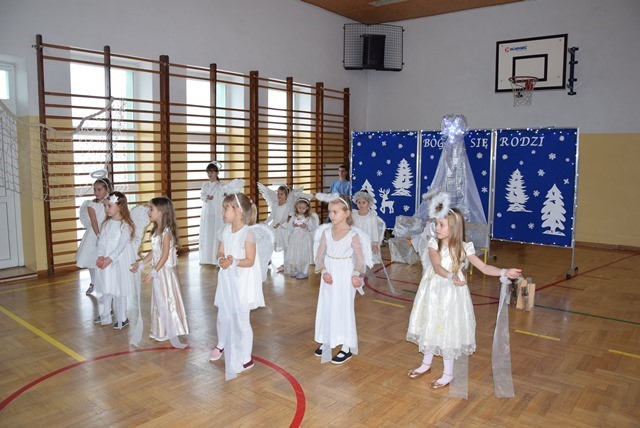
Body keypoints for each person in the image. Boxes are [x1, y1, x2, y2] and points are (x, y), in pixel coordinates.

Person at [406, 201, 521, 389]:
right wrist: (451, 276)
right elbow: (437, 266)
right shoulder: (433, 244)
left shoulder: (465, 247)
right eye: (436, 223)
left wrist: (504, 272)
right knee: (431, 322)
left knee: (448, 327)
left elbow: (483, 267)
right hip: (433, 290)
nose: (437, 228)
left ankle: (448, 373)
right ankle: (426, 364)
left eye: (441, 224)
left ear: (454, 228)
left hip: (452, 295)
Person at [208, 193, 265, 380]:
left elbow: (250, 260)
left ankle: (246, 357)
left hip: (242, 282)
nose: (222, 212)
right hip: (227, 280)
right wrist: (221, 260)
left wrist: (234, 261)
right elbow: (220, 251)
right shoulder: (225, 231)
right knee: (223, 314)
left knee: (241, 319)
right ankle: (221, 344)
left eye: (226, 208)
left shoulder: (248, 233)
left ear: (238, 211)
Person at [313, 193, 373, 365]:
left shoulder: (353, 235)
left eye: (336, 212)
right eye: (330, 212)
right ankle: (327, 339)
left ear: (347, 213)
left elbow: (360, 260)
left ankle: (346, 346)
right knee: (327, 306)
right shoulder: (325, 232)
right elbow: (319, 256)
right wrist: (324, 271)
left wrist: (355, 275)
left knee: (343, 308)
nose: (331, 215)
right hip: (329, 274)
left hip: (345, 274)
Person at [131, 197, 189, 348]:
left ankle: (172, 328)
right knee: (159, 300)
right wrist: (142, 263)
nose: (148, 212)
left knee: (167, 299)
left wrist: (153, 272)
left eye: (151, 209)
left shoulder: (166, 232)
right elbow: (155, 251)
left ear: (161, 212)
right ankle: (161, 329)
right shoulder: (156, 230)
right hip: (158, 271)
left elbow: (164, 255)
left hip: (165, 273)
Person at [94, 191, 138, 330]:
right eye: (105, 206)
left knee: (119, 288)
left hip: (119, 259)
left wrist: (110, 259)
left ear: (119, 206)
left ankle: (123, 318)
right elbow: (102, 241)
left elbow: (121, 246)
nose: (106, 209)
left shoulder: (125, 225)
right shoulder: (106, 224)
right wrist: (101, 255)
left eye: (109, 206)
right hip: (106, 258)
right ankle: (106, 313)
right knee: (106, 285)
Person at [199, 162, 245, 265]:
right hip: (207, 213)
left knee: (216, 232)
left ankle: (217, 257)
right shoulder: (205, 185)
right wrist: (206, 197)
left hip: (217, 213)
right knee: (208, 234)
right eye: (208, 172)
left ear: (216, 173)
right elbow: (202, 195)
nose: (210, 174)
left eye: (212, 172)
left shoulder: (220, 185)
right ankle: (207, 257)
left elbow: (227, 193)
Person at [76, 176, 113, 294]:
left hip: (108, 232)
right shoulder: (91, 204)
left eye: (99, 190)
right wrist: (98, 235)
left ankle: (107, 284)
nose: (96, 192)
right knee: (91, 259)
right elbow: (94, 221)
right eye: (95, 190)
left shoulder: (111, 202)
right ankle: (93, 282)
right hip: (94, 233)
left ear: (107, 190)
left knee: (107, 259)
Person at [257, 183, 292, 273]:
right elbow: (272, 216)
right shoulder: (275, 204)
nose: (279, 195)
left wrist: (279, 224)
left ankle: (285, 264)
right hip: (274, 226)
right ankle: (268, 260)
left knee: (285, 246)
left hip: (282, 228)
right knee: (270, 243)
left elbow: (284, 218)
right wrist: (265, 222)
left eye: (281, 194)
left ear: (286, 195)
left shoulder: (287, 206)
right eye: (278, 193)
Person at [282, 197, 319, 279]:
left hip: (304, 239)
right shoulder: (294, 217)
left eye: (303, 208)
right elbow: (289, 227)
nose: (301, 210)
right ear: (296, 207)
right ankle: (298, 270)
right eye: (299, 208)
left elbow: (312, 228)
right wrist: (293, 225)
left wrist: (305, 226)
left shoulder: (308, 218)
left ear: (307, 208)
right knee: (297, 254)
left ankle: (304, 271)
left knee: (304, 255)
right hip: (295, 239)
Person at [351, 190, 383, 266]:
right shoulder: (354, 214)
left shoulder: (371, 215)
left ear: (369, 203)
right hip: (357, 238)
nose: (361, 205)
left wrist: (375, 243)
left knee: (365, 253)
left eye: (363, 202)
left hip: (367, 238)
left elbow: (375, 230)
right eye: (359, 202)